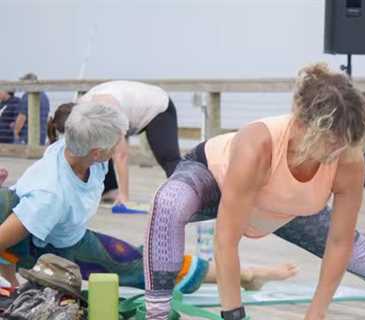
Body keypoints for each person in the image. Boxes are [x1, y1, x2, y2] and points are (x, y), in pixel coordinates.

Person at [143, 63, 365, 320]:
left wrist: (317, 312)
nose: (339, 150)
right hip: (214, 180)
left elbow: (340, 242)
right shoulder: (258, 146)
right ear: (303, 123)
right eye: (331, 140)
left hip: (283, 207)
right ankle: (157, 314)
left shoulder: (346, 157)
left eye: (345, 142)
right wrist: (234, 315)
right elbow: (226, 242)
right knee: (169, 201)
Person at [0, 101, 297, 292]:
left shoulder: (77, 146)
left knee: (146, 257)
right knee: (144, 265)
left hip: (62, 232)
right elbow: (7, 237)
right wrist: (9, 276)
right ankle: (246, 276)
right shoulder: (50, 195)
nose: (122, 142)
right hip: (49, 244)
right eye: (118, 139)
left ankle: (245, 275)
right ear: (97, 151)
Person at [78, 81, 182, 211]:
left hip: (156, 105)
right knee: (97, 148)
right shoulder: (80, 111)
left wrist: (124, 197)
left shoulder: (107, 110)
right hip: (126, 106)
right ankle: (109, 190)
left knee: (169, 159)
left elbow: (121, 155)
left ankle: (188, 196)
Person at [14, 73, 50, 145]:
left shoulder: (27, 96)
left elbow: (22, 117)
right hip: (42, 134)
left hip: (28, 136)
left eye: (23, 83)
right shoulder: (45, 96)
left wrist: (15, 133)